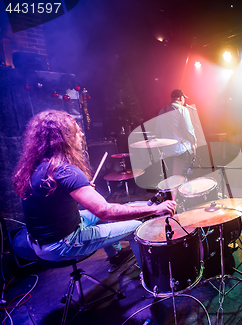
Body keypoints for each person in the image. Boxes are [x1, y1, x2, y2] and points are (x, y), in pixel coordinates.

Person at [12, 110, 176, 271]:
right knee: (138, 224)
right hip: (62, 243)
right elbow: (105, 211)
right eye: (77, 132)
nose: (81, 135)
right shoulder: (67, 172)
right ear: (65, 138)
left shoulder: (38, 167)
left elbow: (53, 202)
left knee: (107, 213)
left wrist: (77, 192)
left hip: (40, 241)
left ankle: (115, 255)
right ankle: (153, 279)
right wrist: (155, 209)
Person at [155, 89, 197, 185]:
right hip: (180, 150)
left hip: (167, 152)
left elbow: (158, 131)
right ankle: (181, 198)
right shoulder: (182, 110)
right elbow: (188, 129)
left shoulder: (162, 111)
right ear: (181, 98)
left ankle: (173, 198)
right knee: (182, 178)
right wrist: (194, 141)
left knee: (172, 178)